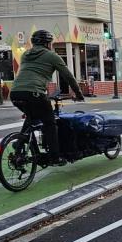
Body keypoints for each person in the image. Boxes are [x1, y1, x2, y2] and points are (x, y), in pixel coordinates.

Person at [10, 30, 84, 165]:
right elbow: (68, 76)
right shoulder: (52, 56)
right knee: (50, 123)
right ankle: (55, 157)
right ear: (47, 43)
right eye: (50, 42)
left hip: (15, 92)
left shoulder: (26, 55)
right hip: (34, 93)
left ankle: (20, 143)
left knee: (31, 116)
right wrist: (78, 94)